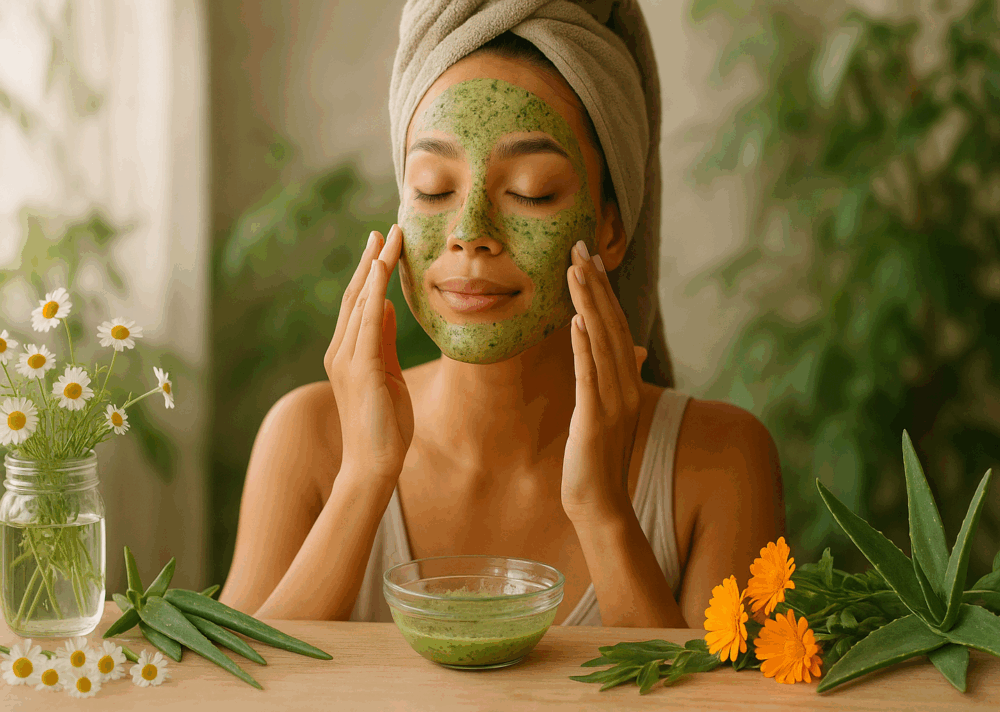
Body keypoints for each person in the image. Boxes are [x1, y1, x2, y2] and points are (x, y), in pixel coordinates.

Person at [218, 1, 784, 628]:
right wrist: (362, 480)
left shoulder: (720, 462)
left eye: (531, 192)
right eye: (433, 188)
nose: (470, 233)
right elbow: (235, 677)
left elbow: (711, 686)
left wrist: (603, 510)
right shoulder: (307, 436)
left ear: (612, 226)